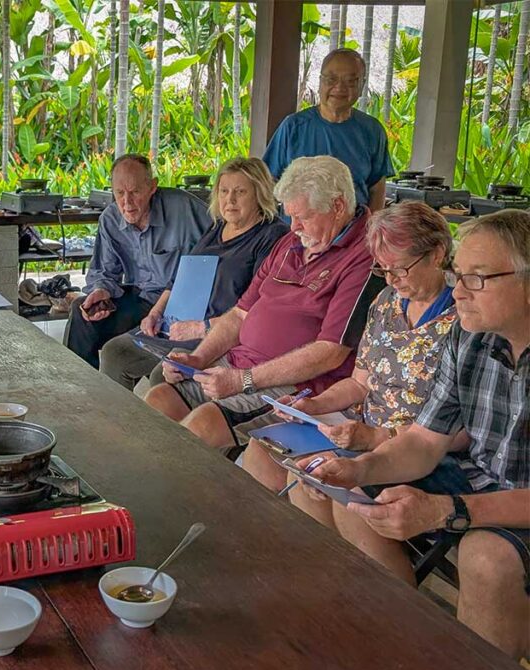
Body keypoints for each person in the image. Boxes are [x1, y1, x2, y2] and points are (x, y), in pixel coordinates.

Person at [301, 209, 529, 659]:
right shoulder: (469, 337)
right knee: (353, 493)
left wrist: (448, 510)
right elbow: (425, 440)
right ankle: (396, 638)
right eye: (458, 275)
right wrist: (358, 469)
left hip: (513, 497)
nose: (458, 291)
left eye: (477, 278)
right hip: (479, 477)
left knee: (486, 557)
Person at [143, 156, 382, 452]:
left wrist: (242, 380)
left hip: (297, 383)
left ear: (337, 206)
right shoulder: (291, 242)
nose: (293, 227)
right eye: (290, 216)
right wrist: (198, 359)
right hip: (240, 363)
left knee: (202, 426)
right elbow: (239, 315)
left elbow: (330, 352)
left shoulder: (364, 255)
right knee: (158, 401)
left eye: (303, 217)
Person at [240, 201, 457, 493]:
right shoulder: (386, 302)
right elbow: (359, 383)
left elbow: (458, 428)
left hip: (411, 446)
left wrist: (377, 437)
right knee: (263, 449)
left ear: (437, 254)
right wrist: (315, 405)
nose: (391, 280)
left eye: (400, 269)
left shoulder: (462, 318)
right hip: (359, 427)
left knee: (315, 478)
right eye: (383, 269)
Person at [99, 157, 288, 390]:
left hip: (219, 334)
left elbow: (257, 310)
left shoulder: (272, 235)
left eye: (240, 192)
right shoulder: (218, 226)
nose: (230, 200)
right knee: (115, 353)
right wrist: (155, 313)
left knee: (165, 375)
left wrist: (202, 327)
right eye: (224, 191)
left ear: (259, 194)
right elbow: (180, 276)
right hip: (178, 325)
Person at [63, 154, 213, 368]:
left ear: (152, 187)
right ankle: (80, 382)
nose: (127, 202)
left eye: (134, 192)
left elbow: (224, 241)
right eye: (119, 193)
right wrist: (101, 291)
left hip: (177, 305)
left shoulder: (185, 209)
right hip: (141, 298)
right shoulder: (111, 219)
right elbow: (104, 272)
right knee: (82, 311)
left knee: (121, 351)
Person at [263, 49, 394, 212]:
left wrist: (370, 226)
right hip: (297, 225)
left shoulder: (372, 131)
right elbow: (268, 180)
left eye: (350, 81)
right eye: (331, 79)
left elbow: (377, 188)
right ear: (320, 82)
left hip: (353, 226)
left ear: (362, 85)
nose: (339, 87)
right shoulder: (293, 126)